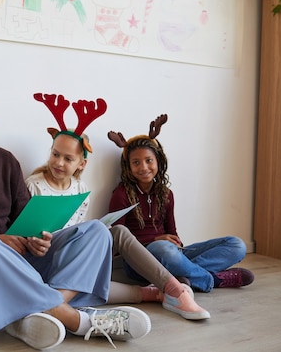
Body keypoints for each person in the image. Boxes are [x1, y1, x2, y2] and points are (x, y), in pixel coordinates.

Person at [0, 90, 151, 351]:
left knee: (96, 232)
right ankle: (72, 318)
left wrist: (37, 240)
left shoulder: (5, 161)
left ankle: (39, 310)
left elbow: (26, 217)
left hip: (15, 264)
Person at [26, 93, 209, 321]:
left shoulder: (81, 188)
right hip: (46, 254)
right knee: (109, 259)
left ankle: (173, 290)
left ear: (81, 163)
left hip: (71, 254)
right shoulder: (34, 185)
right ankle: (171, 289)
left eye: (68, 158)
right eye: (55, 154)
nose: (59, 162)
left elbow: (77, 228)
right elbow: (28, 232)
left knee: (113, 235)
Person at [107, 114, 254, 293]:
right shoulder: (121, 194)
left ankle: (183, 275)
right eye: (136, 163)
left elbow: (172, 233)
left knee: (237, 245)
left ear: (158, 161)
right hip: (140, 262)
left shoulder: (166, 194)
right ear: (128, 167)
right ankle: (212, 279)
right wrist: (154, 240)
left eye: (148, 161)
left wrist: (176, 247)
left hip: (169, 253)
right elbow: (117, 242)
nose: (143, 167)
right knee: (163, 248)